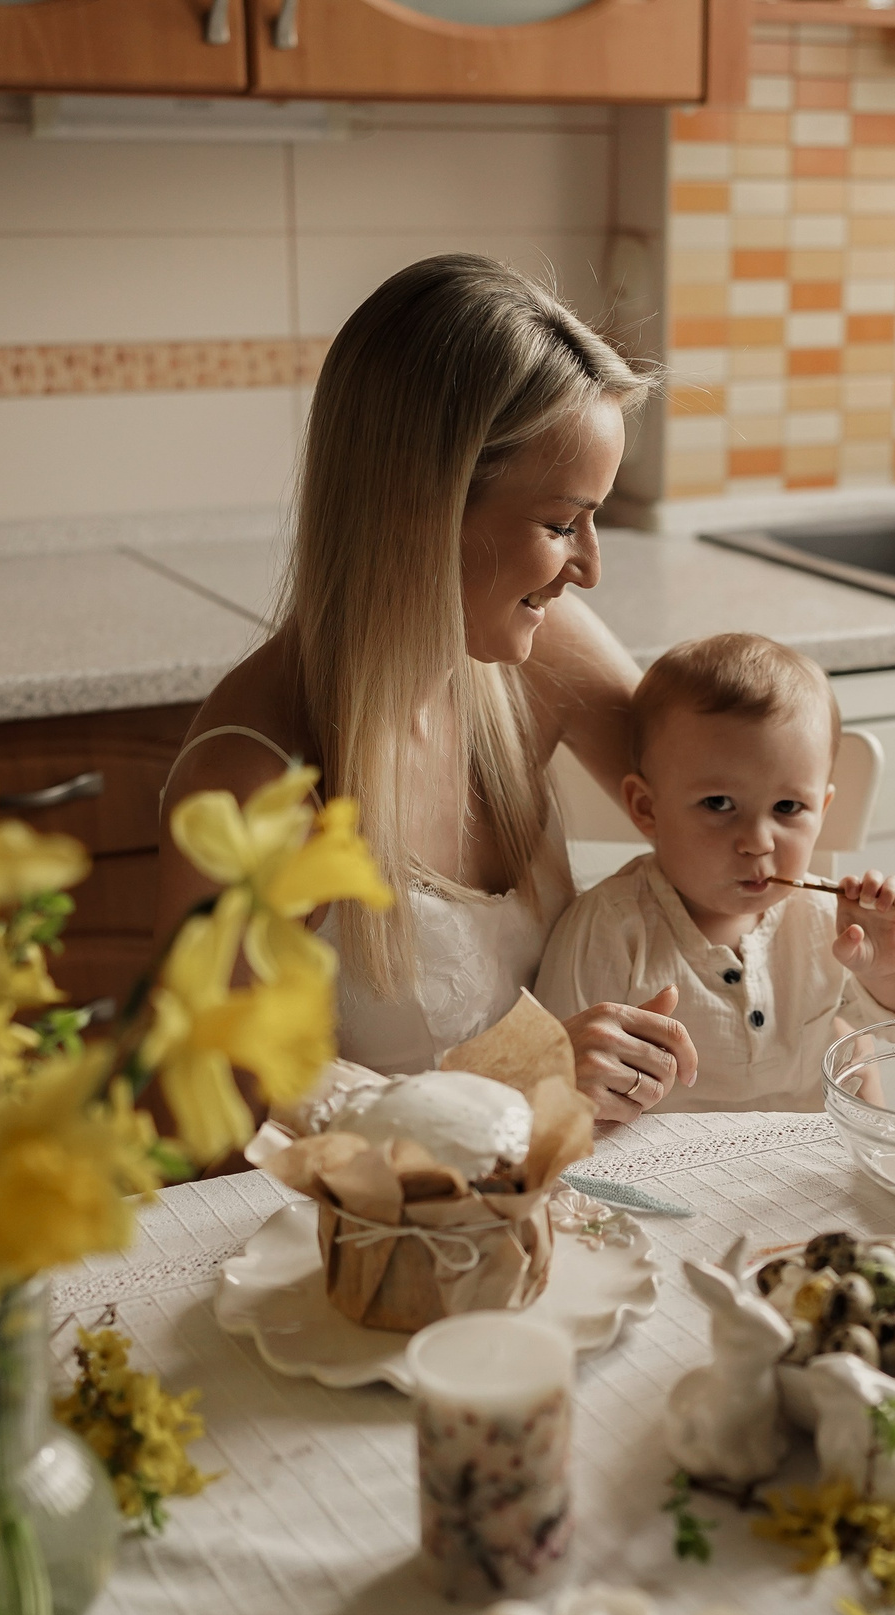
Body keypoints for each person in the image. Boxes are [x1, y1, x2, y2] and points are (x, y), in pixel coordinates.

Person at [157, 254, 700, 1127]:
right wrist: (527, 1077)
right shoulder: (251, 784)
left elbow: (717, 796)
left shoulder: (534, 649)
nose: (591, 568)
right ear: (425, 505)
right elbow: (225, 1125)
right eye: (562, 523)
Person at [536, 633, 895, 1117]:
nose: (758, 841)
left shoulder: (831, 924)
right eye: (718, 804)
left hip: (811, 1179)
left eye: (788, 807)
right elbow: (552, 1086)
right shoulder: (609, 929)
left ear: (823, 810)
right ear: (647, 809)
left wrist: (887, 971)